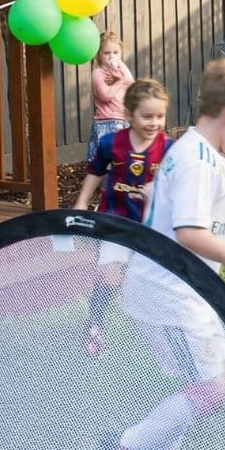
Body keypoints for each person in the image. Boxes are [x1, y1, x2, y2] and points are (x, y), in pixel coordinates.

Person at [100, 58, 225, 450]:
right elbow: (190, 233)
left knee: (218, 379)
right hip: (170, 297)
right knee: (211, 385)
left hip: (185, 295)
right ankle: (128, 449)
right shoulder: (199, 159)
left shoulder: (200, 153)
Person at [74, 78, 173, 357]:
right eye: (147, 116)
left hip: (151, 228)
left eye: (160, 116)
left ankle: (163, 330)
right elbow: (95, 172)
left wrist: (161, 190)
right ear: (129, 115)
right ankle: (94, 324)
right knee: (109, 276)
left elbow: (181, 183)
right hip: (114, 222)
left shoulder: (169, 148)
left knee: (152, 282)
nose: (154, 123)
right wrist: (82, 202)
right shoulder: (111, 143)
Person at [88, 31, 134, 164]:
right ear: (99, 55)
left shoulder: (122, 69)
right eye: (107, 53)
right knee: (105, 161)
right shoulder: (98, 73)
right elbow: (105, 95)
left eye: (115, 52)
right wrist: (119, 82)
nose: (111, 56)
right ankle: (103, 184)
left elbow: (132, 84)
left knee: (122, 161)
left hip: (124, 120)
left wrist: (120, 76)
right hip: (106, 122)